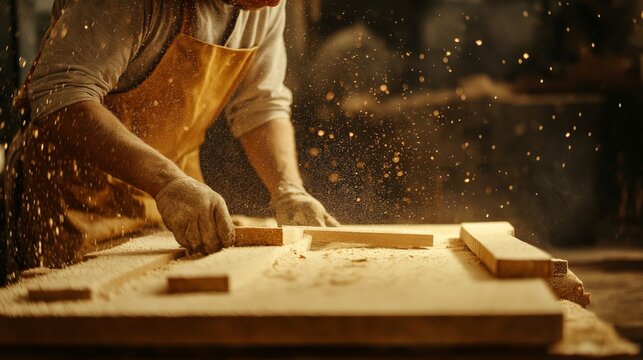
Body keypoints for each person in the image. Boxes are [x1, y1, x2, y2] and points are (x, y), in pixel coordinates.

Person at [2, 0, 338, 282]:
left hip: (170, 203)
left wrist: (288, 189)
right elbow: (60, 97)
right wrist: (167, 180)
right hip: (72, 205)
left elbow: (260, 104)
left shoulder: (263, 4)